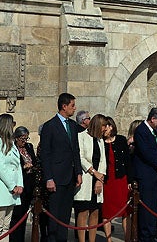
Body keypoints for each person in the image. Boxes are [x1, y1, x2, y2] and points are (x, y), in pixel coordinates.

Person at [38, 93, 83, 242]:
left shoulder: (72, 126)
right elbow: (45, 154)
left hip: (69, 177)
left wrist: (78, 172)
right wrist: (49, 178)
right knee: (54, 216)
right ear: (64, 106)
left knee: (64, 216)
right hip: (56, 178)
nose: (74, 109)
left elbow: (75, 150)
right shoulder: (50, 126)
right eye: (72, 106)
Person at [0, 113, 24, 242]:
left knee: (6, 226)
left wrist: (20, 184)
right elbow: (0, 167)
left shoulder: (12, 143)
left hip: (13, 190)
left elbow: (17, 165)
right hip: (1, 188)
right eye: (12, 124)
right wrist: (12, 185)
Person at [132, 107, 157, 242]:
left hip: (154, 173)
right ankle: (145, 235)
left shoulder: (155, 131)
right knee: (146, 206)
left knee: (153, 205)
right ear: (153, 119)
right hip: (145, 173)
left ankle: (152, 232)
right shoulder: (141, 131)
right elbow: (145, 151)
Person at [75, 113, 106, 242]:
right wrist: (93, 171)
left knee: (95, 211)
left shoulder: (100, 140)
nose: (105, 129)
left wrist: (100, 178)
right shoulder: (81, 136)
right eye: (104, 126)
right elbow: (80, 157)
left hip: (97, 179)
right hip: (87, 177)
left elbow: (103, 160)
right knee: (83, 212)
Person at [101, 116, 129, 242]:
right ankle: (109, 240)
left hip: (120, 179)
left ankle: (127, 238)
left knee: (125, 211)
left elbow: (128, 161)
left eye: (105, 126)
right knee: (106, 212)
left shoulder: (121, 140)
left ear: (111, 127)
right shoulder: (100, 142)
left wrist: (130, 180)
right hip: (107, 181)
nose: (103, 130)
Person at [10, 126, 37, 242]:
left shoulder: (29, 147)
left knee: (24, 216)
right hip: (19, 185)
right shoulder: (12, 148)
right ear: (16, 138)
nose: (24, 141)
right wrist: (23, 167)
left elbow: (34, 161)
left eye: (26, 138)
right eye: (22, 139)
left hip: (29, 185)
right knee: (16, 217)